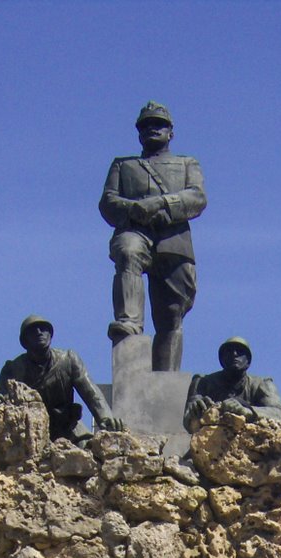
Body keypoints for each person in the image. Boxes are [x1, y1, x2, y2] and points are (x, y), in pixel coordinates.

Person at [100, 101, 207, 372]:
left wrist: (161, 204)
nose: (152, 129)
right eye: (146, 125)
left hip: (173, 237)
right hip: (135, 230)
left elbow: (197, 197)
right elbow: (108, 203)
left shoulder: (186, 163)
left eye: (158, 124)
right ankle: (129, 322)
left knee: (171, 313)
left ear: (171, 131)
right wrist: (134, 209)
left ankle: (165, 377)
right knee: (128, 251)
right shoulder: (123, 166)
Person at [0, 315, 122, 443]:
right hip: (34, 434)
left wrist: (106, 418)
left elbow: (91, 393)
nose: (39, 332)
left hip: (69, 428)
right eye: (33, 330)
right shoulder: (13, 369)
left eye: (43, 329)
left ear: (50, 335)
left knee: (87, 451)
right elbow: (2, 405)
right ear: (25, 341)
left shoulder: (68, 359)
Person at [183, 337, 281, 432]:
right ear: (221, 360)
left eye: (240, 351)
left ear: (248, 361)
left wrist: (246, 411)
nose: (234, 354)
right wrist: (195, 411)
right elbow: (188, 422)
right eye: (229, 352)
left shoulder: (261, 384)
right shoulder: (202, 382)